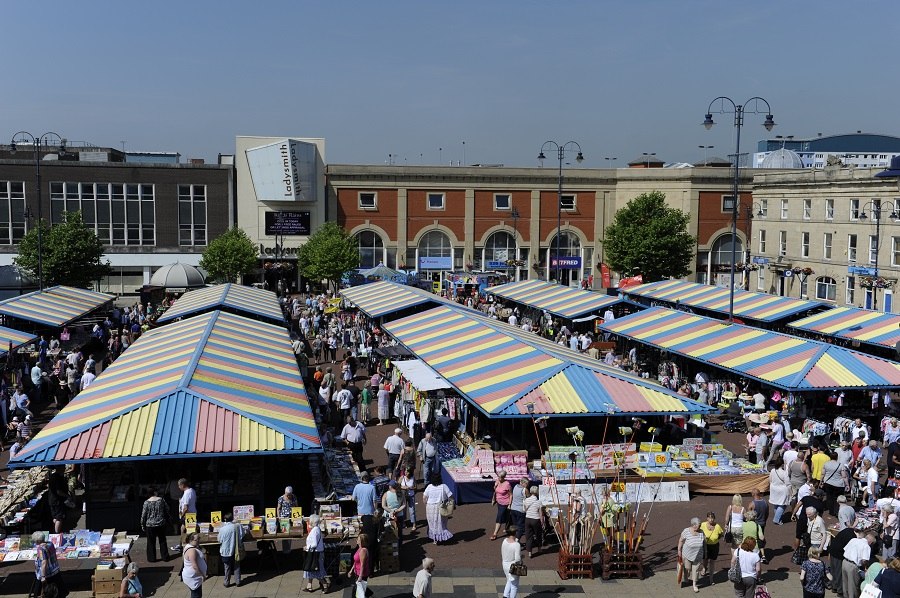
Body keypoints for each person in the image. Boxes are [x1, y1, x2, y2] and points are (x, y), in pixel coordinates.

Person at [140, 487, 171, 562]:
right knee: (162, 540)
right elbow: (167, 509)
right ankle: (165, 557)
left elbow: (143, 515)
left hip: (150, 525)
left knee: (151, 542)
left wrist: (142, 525)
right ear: (155, 492)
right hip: (161, 523)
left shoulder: (146, 502)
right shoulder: (161, 500)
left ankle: (152, 558)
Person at [33, 531, 67, 598]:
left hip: (47, 573)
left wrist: (43, 576)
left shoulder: (40, 549)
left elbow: (44, 562)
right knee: (58, 590)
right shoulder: (50, 544)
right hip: (54, 570)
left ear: (37, 541)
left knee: (43, 592)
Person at [422, 475, 453, 544]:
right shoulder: (444, 486)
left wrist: (426, 505)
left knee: (432, 524)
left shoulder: (429, 486)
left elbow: (424, 497)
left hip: (430, 507)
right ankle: (442, 538)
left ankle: (434, 539)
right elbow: (450, 496)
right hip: (441, 507)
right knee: (441, 523)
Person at [678, 517, 706, 593]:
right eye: (698, 525)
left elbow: (704, 544)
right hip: (687, 554)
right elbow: (681, 540)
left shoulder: (701, 532)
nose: (699, 527)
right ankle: (686, 576)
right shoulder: (686, 531)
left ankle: (694, 585)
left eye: (700, 525)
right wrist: (679, 550)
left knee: (696, 570)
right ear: (693, 525)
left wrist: (705, 554)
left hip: (698, 555)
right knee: (687, 568)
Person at [218, 513, 243, 588]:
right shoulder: (237, 526)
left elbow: (219, 540)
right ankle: (238, 581)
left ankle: (226, 582)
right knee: (237, 566)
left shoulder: (222, 529)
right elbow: (242, 535)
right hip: (236, 550)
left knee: (227, 567)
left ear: (225, 520)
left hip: (226, 551)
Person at [172, 478, 197, 552]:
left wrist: (182, 516)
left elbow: (186, 507)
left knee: (187, 531)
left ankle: (183, 545)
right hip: (192, 514)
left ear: (183, 485)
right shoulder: (192, 490)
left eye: (179, 485)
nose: (178, 487)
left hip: (188, 515)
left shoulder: (186, 493)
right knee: (184, 529)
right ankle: (182, 544)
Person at [303, 514, 326, 592]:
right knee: (311, 569)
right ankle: (309, 585)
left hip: (315, 554)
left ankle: (325, 584)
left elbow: (314, 544)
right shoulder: (317, 529)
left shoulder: (314, 531)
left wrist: (307, 547)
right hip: (317, 553)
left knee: (314, 570)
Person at [181, 532, 207, 598]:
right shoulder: (192, 551)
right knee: (196, 595)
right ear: (190, 540)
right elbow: (195, 566)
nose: (198, 540)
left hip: (193, 577)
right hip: (194, 579)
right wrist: (202, 576)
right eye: (196, 539)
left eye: (199, 538)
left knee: (196, 594)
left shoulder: (189, 546)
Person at [701, 512, 723, 586]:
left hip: (714, 546)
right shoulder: (703, 525)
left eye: (712, 518)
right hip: (705, 545)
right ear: (707, 518)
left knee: (712, 562)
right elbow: (699, 532)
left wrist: (715, 539)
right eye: (709, 518)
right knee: (705, 559)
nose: (711, 520)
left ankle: (711, 579)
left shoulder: (717, 526)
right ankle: (704, 568)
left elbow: (721, 534)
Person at [491, 470, 513, 541]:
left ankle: (495, 533)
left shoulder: (507, 484)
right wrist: (494, 499)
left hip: (505, 503)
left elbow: (511, 495)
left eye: (500, 477)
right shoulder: (497, 481)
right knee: (506, 516)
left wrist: (509, 504)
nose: (499, 478)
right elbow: (495, 490)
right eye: (498, 477)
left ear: (504, 477)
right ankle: (507, 528)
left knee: (499, 517)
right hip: (499, 502)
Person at [522, 485, 544, 558]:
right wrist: (542, 521)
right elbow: (540, 513)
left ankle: (530, 552)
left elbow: (524, 510)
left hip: (528, 519)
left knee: (529, 536)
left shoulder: (526, 500)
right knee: (538, 535)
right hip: (536, 519)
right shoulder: (539, 502)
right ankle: (539, 548)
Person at [768, 457, 791, 525]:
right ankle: (777, 519)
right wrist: (790, 492)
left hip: (774, 489)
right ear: (782, 464)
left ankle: (778, 518)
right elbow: (788, 483)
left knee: (776, 503)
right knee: (782, 505)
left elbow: (770, 480)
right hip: (782, 490)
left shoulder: (772, 470)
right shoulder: (784, 473)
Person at [501, 527, 522, 598]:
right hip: (512, 566)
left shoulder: (504, 541)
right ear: (515, 533)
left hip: (505, 564)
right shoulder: (516, 545)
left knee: (509, 581)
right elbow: (517, 559)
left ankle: (505, 596)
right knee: (514, 585)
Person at [47, 466, 70, 533]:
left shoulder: (52, 476)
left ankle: (56, 530)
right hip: (57, 501)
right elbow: (59, 491)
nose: (65, 468)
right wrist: (67, 496)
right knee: (59, 518)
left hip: (52, 500)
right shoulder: (58, 478)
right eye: (64, 467)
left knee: (55, 517)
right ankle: (57, 533)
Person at [277, 486, 298, 554]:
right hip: (284, 518)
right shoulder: (281, 498)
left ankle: (289, 549)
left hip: (292, 517)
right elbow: (278, 508)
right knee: (285, 533)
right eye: (287, 494)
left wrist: (297, 515)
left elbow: (296, 506)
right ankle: (285, 550)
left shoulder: (294, 497)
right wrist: (279, 517)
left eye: (289, 495)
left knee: (291, 533)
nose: (288, 496)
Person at [348, 532, 370, 598]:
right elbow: (356, 561)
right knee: (360, 591)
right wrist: (351, 570)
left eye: (358, 539)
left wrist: (360, 576)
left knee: (358, 592)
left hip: (362, 574)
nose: (357, 540)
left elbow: (362, 565)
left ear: (361, 541)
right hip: (356, 572)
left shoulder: (363, 550)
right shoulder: (359, 548)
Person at [510, 477, 529, 542]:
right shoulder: (525, 490)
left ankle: (515, 538)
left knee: (515, 526)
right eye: (526, 483)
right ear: (522, 483)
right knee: (521, 527)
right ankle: (516, 541)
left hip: (513, 509)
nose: (527, 485)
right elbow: (528, 498)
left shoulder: (515, 486)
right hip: (520, 510)